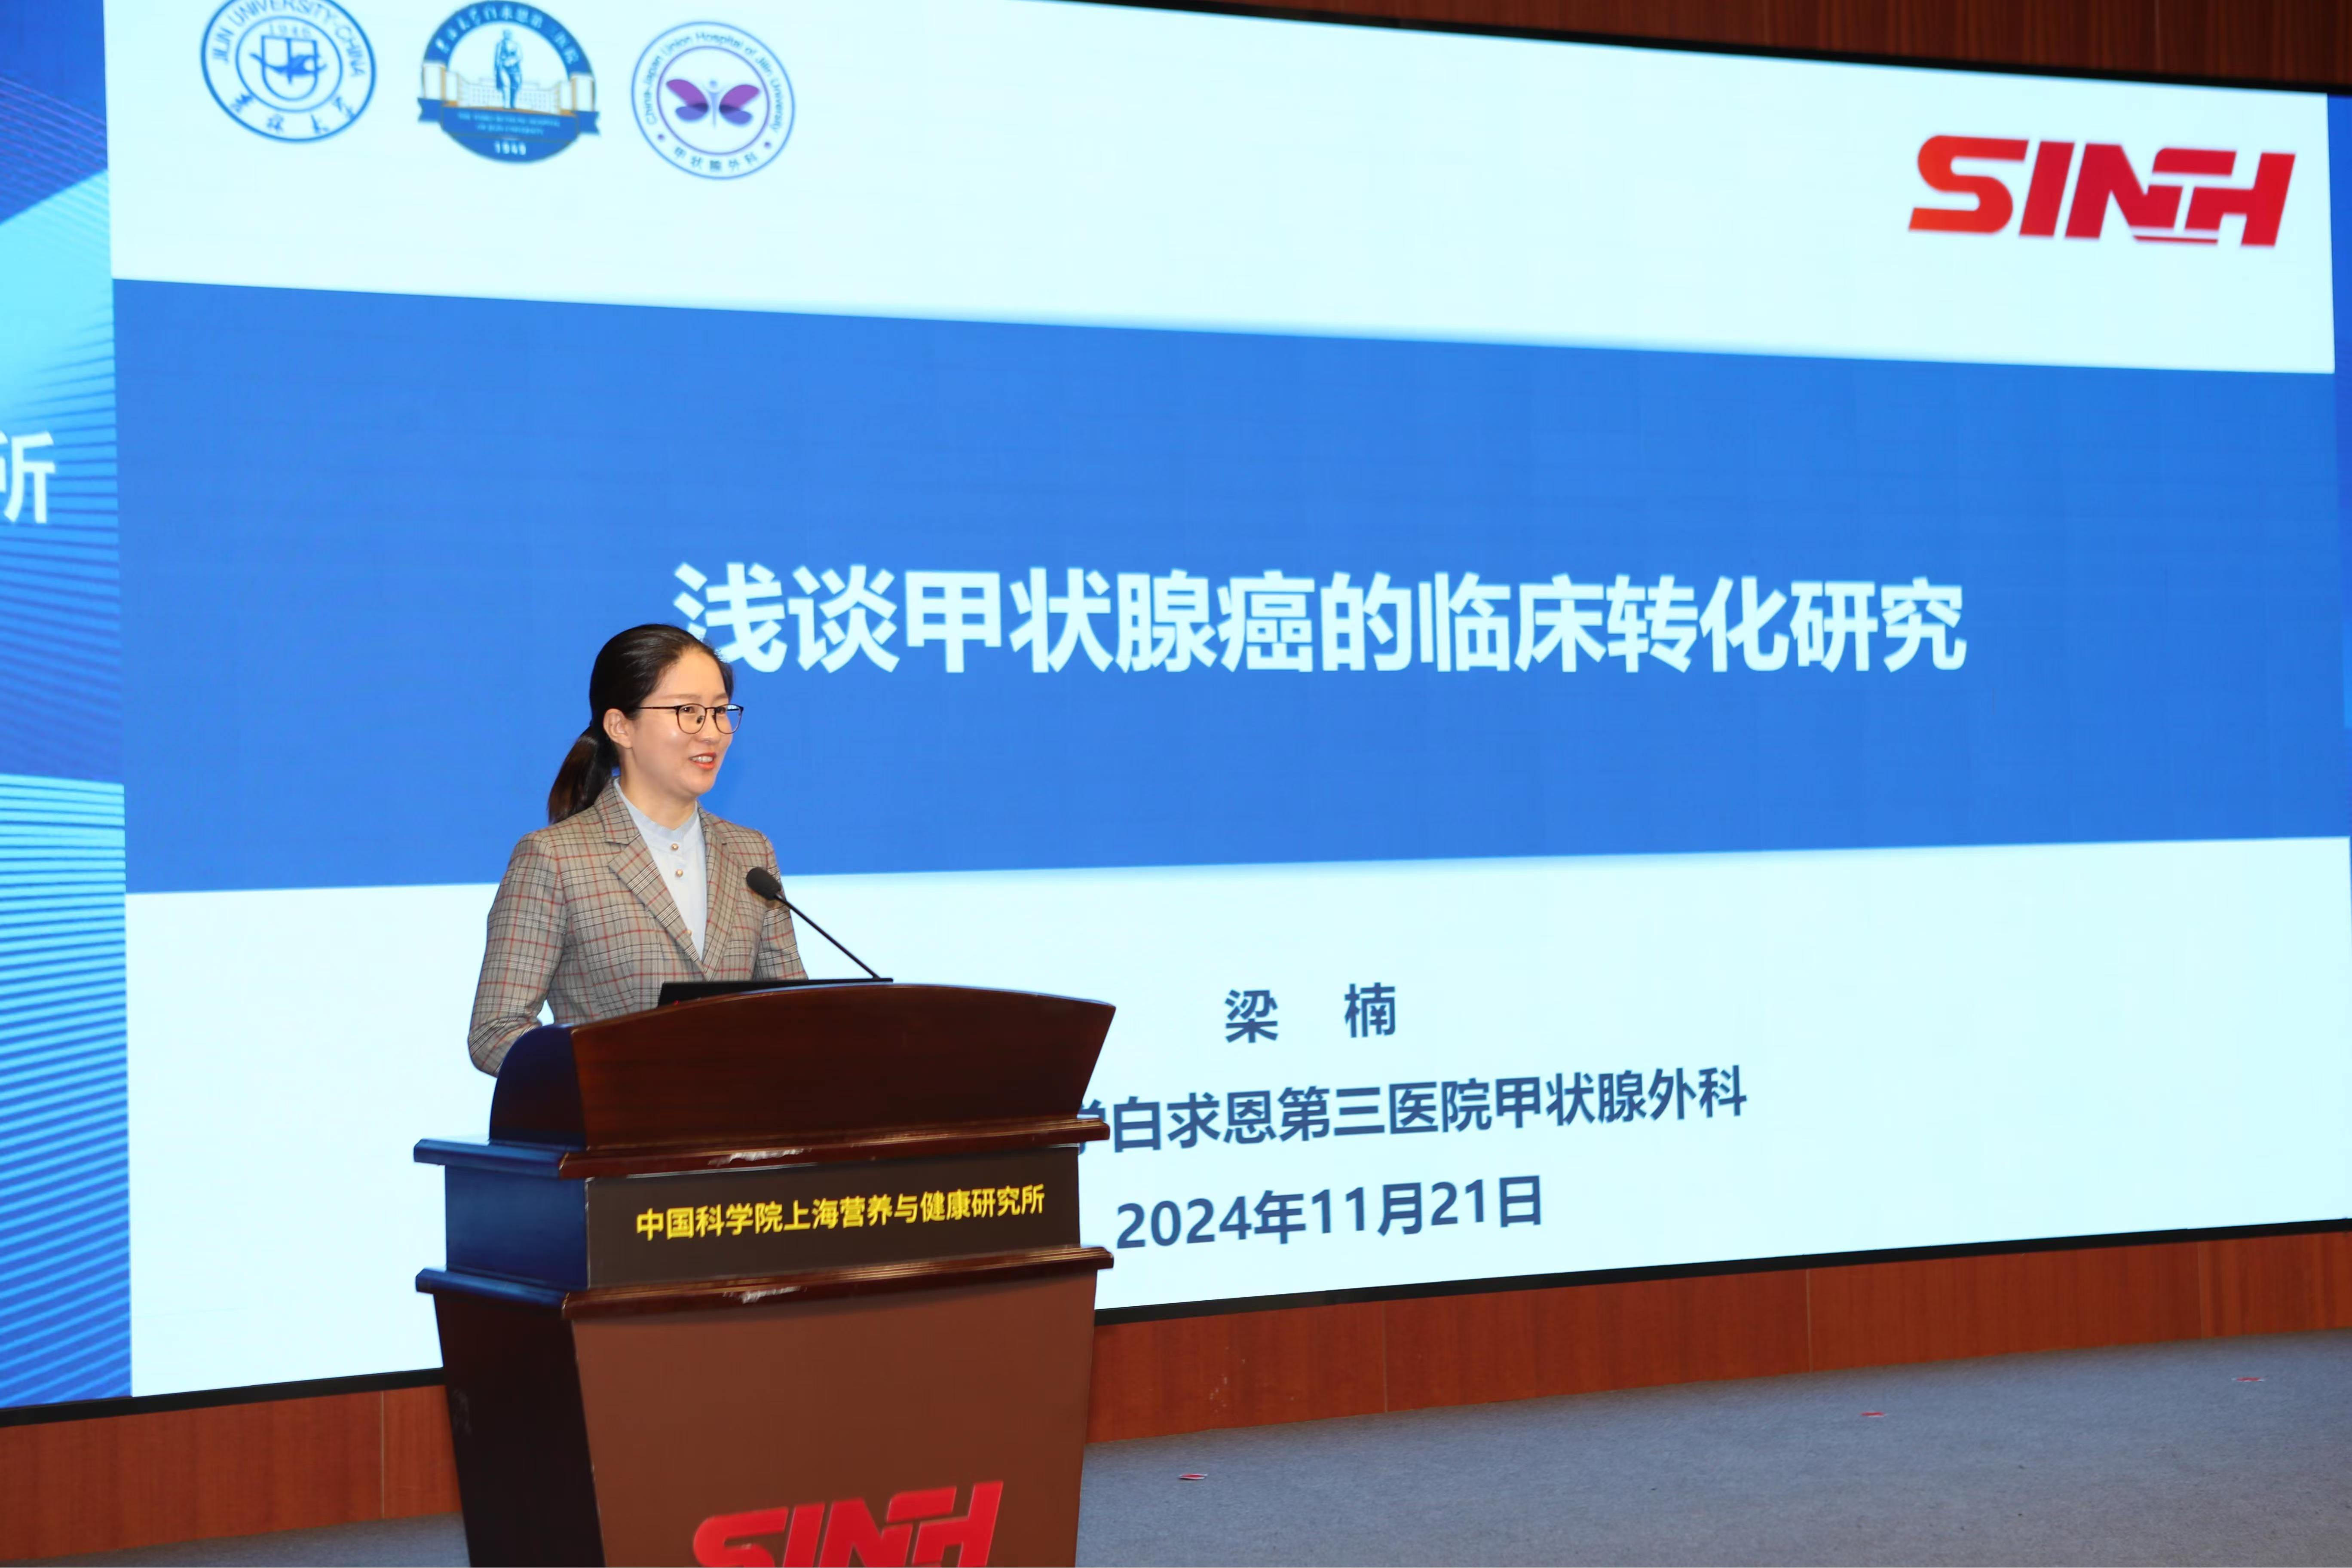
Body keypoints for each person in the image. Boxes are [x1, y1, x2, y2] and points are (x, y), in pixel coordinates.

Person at [466, 624, 803, 1073]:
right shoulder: (555, 859)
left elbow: (792, 1010)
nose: (712, 732)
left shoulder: (751, 853)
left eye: (721, 711)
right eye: (688, 711)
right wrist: (617, 1072)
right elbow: (495, 1032)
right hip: (617, 1115)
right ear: (621, 726)